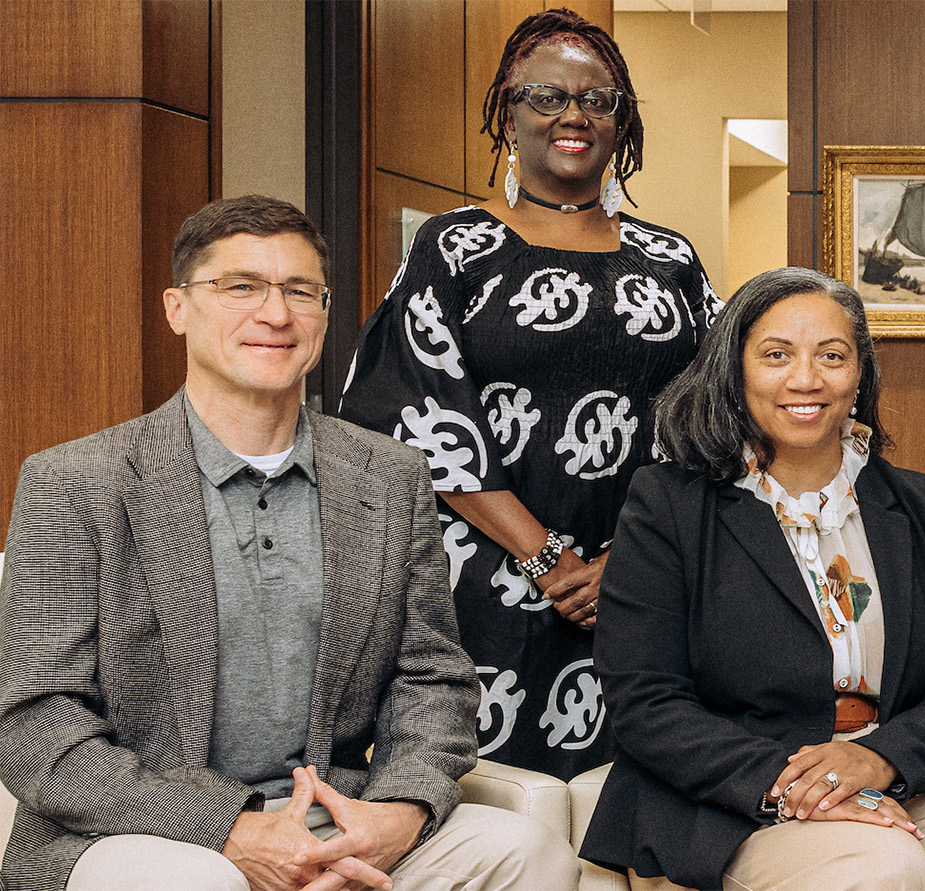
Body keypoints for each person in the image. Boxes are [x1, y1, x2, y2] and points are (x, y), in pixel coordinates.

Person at [0, 196, 579, 890]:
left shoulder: (390, 475)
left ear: (325, 314)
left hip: (336, 812)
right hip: (141, 829)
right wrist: (230, 829)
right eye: (240, 286)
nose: (276, 313)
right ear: (177, 307)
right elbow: (37, 724)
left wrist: (398, 810)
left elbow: (433, 677)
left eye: (300, 291)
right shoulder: (75, 482)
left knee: (528, 849)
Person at [337, 8, 716, 778]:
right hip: (481, 585)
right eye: (548, 96)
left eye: (598, 99)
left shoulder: (672, 260)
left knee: (637, 797)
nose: (574, 115)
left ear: (622, 123)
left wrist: (627, 559)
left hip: (645, 582)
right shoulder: (452, 246)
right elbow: (414, 409)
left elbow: (718, 420)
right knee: (497, 803)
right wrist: (544, 554)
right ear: (509, 113)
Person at [578, 268, 925, 891]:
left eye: (832, 356)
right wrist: (803, 783)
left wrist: (877, 759)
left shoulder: (922, 505)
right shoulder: (669, 506)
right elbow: (646, 700)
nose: (806, 379)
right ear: (733, 370)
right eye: (776, 355)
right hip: (726, 799)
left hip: (899, 774)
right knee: (882, 868)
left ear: (861, 374)